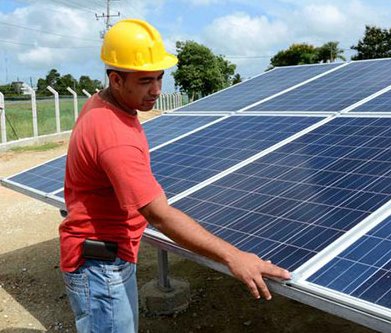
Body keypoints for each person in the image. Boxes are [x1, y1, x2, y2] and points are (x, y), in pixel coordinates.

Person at [59, 18, 291, 333]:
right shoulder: (113, 135)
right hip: (101, 268)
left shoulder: (103, 104)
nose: (156, 90)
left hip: (104, 255)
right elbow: (160, 215)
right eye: (144, 81)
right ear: (115, 79)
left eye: (159, 78)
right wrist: (234, 256)